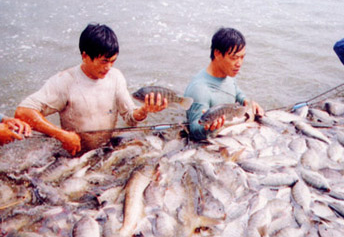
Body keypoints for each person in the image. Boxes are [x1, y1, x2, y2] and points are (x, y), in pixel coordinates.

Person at [15, 23, 168, 156]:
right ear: (85, 56)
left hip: (105, 150)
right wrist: (61, 135)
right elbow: (23, 112)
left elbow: (129, 116)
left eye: (113, 61)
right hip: (74, 154)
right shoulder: (65, 81)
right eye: (104, 62)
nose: (108, 67)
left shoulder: (115, 77)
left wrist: (145, 110)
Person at [184, 27, 264, 140]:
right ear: (217, 53)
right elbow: (194, 129)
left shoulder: (228, 75)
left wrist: (247, 101)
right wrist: (207, 128)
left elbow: (236, 91)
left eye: (242, 57)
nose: (239, 63)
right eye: (234, 58)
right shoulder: (200, 90)